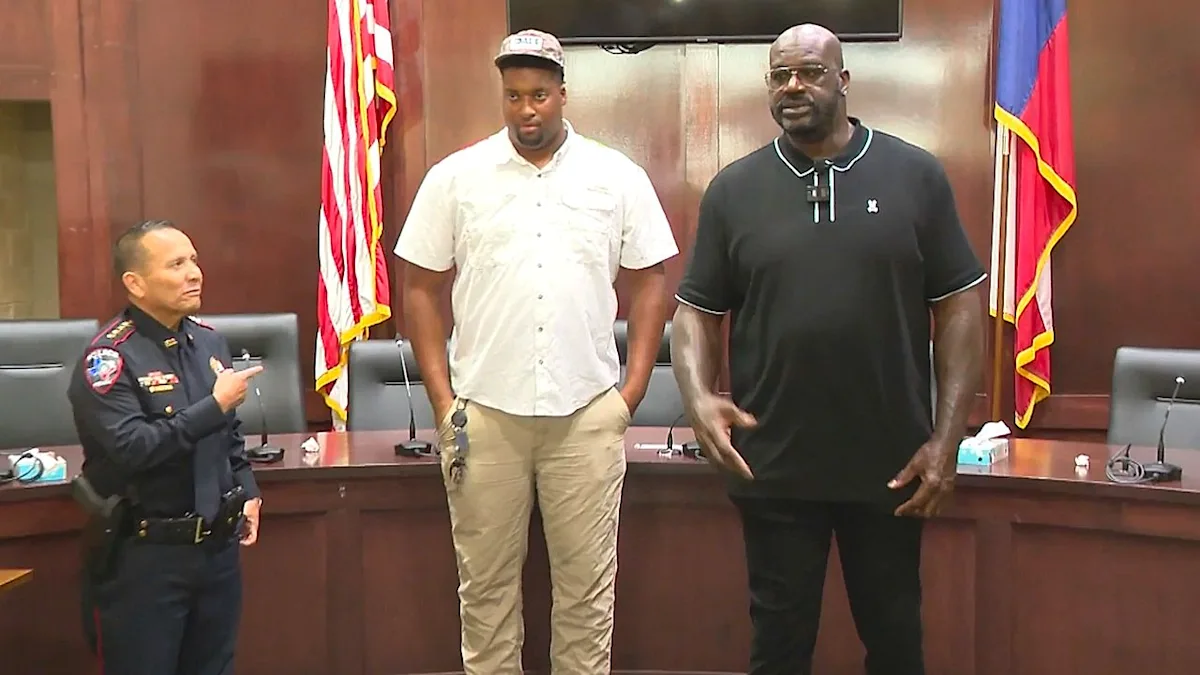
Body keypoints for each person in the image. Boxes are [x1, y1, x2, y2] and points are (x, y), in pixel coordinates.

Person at [670, 24, 986, 675]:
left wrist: (947, 437)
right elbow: (696, 312)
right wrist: (698, 399)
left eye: (810, 72)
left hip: (893, 468)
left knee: (897, 645)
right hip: (773, 466)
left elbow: (958, 306)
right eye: (780, 74)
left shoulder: (915, 175)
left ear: (843, 80)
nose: (793, 86)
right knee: (779, 650)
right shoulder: (735, 190)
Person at [394, 29, 679, 675]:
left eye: (541, 95)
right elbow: (419, 286)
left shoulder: (616, 175)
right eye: (515, 95)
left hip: (586, 414)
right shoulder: (457, 177)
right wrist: (445, 403)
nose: (527, 109)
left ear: (563, 95)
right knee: (486, 591)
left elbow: (652, 277)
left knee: (586, 591)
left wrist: (628, 394)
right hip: (484, 416)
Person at [68, 220, 265, 675]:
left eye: (193, 260)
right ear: (135, 283)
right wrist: (213, 406)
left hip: (217, 551)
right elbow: (133, 447)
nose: (194, 273)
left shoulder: (208, 340)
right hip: (147, 557)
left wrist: (247, 487)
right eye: (176, 264)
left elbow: (227, 433)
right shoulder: (110, 359)